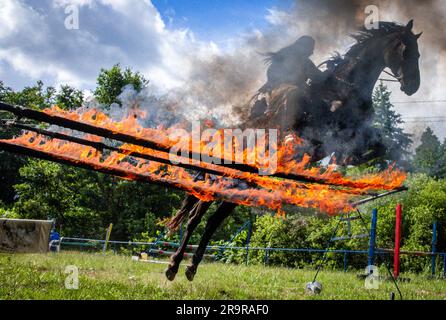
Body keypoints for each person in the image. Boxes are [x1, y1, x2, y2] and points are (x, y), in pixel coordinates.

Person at [249, 36, 328, 124]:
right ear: (304, 47)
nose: (312, 52)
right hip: (293, 94)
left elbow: (271, 74)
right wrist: (328, 72)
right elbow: (317, 77)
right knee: (319, 109)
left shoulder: (281, 56)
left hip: (271, 91)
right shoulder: (303, 61)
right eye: (310, 48)